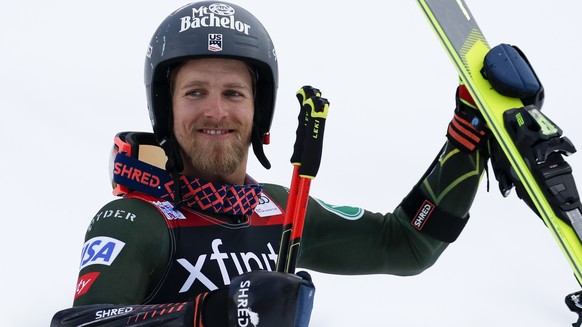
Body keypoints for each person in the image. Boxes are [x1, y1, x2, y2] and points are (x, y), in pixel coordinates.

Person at [51, 1, 544, 326]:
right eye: (195, 92)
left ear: (257, 111)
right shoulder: (137, 219)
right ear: (167, 109)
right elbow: (78, 324)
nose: (216, 111)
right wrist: (211, 314)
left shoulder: (279, 210)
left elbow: (406, 243)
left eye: (234, 93)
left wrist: (465, 139)